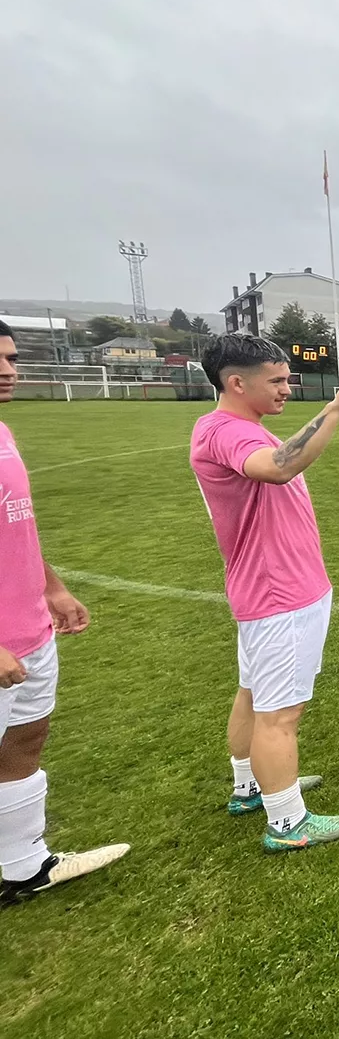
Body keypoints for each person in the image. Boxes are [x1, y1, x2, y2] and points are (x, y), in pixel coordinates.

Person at [190, 335, 339, 853]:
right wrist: (337, 407)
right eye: (276, 380)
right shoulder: (225, 432)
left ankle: (251, 788)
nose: (286, 388)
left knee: (254, 695)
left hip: (274, 591)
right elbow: (278, 467)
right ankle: (287, 823)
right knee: (280, 713)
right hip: (279, 594)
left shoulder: (236, 428)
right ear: (236, 382)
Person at [0, 321, 129, 905]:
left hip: (30, 626)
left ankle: (23, 865)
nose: (9, 371)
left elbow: (15, 524)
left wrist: (50, 585)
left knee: (25, 740)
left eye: (9, 358)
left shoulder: (3, 432)